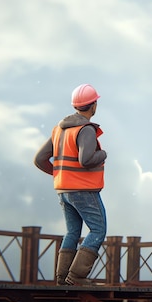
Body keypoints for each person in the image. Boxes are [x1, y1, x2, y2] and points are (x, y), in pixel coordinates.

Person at [34, 84, 107, 286]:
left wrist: (59, 175)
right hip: (83, 190)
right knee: (98, 230)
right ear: (93, 105)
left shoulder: (59, 129)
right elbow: (86, 159)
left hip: (63, 190)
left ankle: (62, 278)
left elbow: (40, 159)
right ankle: (76, 277)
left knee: (72, 232)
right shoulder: (86, 129)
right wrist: (103, 154)